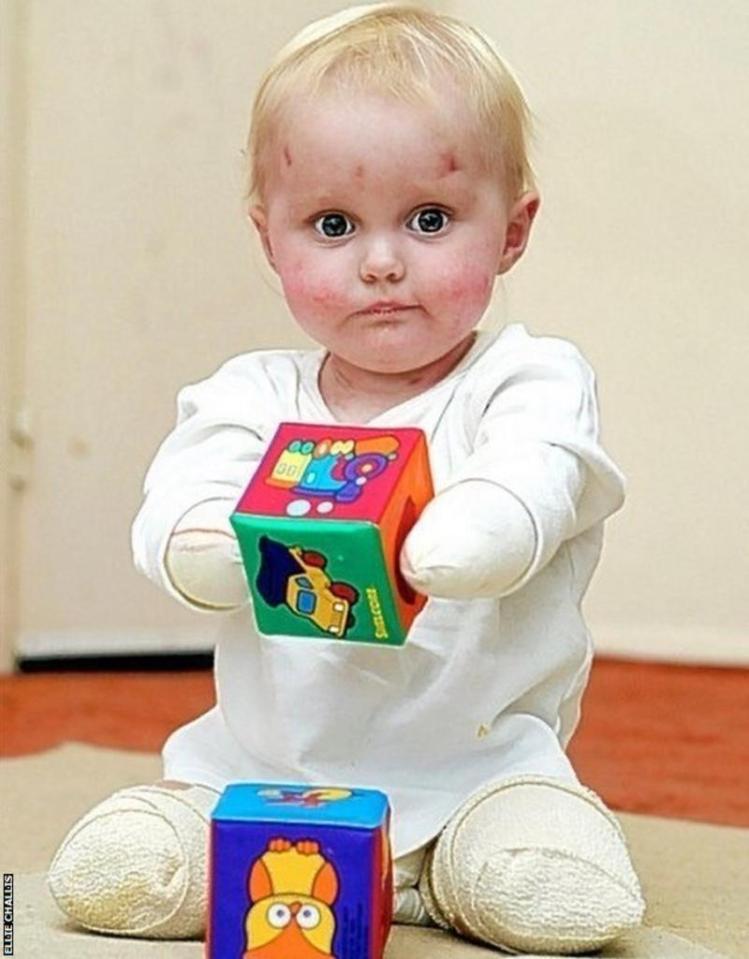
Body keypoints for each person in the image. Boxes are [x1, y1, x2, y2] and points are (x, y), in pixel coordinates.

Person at [48, 3, 645, 953]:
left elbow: (541, 475)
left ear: (512, 230)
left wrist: (476, 525)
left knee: (541, 878)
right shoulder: (247, 394)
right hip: (263, 767)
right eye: (333, 224)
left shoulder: (526, 378)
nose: (380, 262)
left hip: (476, 768)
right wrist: (208, 542)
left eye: (429, 219)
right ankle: (189, 844)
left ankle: (472, 864)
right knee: (128, 865)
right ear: (268, 240)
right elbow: (182, 504)